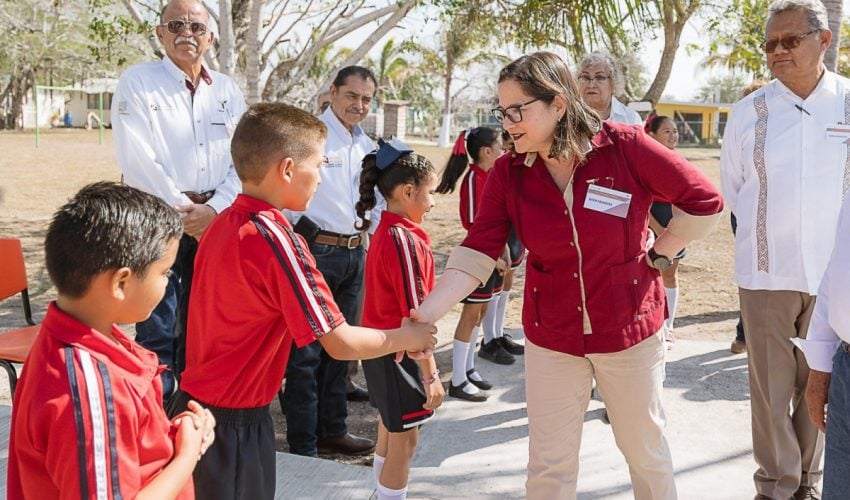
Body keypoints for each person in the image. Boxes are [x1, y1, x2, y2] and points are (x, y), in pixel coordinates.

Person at [411, 51, 723, 499]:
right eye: (503, 110)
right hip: (552, 335)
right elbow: (478, 250)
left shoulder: (625, 146)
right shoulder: (508, 172)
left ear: (558, 104)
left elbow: (704, 199)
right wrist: (428, 314)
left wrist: (664, 250)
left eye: (518, 109)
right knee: (548, 467)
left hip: (629, 330)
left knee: (644, 452)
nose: (508, 121)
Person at [170, 103, 436, 500]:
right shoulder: (278, 240)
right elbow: (339, 342)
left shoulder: (223, 222)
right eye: (320, 164)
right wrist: (409, 336)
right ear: (289, 169)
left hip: (194, 408)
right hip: (234, 427)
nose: (323, 176)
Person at [8, 182, 215, 499]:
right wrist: (187, 457)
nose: (166, 284)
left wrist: (174, 435)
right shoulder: (90, 388)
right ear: (121, 282)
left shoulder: (88, 342)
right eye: (164, 273)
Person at [720, 1, 850, 497]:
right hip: (765, 276)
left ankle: (808, 483)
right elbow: (734, 190)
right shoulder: (747, 111)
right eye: (770, 44)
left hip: (834, 280)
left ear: (824, 41)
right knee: (771, 393)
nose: (777, 52)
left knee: (820, 385)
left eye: (789, 40)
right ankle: (776, 485)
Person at [111, 0, 246, 400]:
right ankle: (154, 425)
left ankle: (191, 420)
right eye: (176, 25)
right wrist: (184, 213)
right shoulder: (138, 82)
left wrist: (215, 209)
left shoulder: (226, 90)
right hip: (157, 223)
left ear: (210, 36)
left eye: (196, 26)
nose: (186, 33)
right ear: (160, 33)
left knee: (203, 325)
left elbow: (244, 157)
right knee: (158, 326)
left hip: (214, 222)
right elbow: (138, 160)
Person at [284, 65, 381, 457]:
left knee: (339, 353)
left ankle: (333, 430)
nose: (358, 105)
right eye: (352, 96)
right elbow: (288, 194)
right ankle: (303, 445)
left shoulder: (367, 145)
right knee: (305, 356)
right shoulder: (310, 137)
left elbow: (374, 199)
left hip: (355, 253)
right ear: (333, 92)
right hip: (315, 253)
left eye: (366, 99)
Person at [355, 137, 445, 500]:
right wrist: (432, 375)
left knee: (391, 430)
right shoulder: (402, 240)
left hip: (384, 351)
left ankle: (381, 493)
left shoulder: (390, 231)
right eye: (431, 192)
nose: (435, 201)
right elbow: (416, 319)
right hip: (399, 356)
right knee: (405, 442)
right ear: (409, 191)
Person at [435, 127, 511, 402]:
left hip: (491, 256)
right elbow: (473, 220)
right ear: (486, 152)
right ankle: (457, 380)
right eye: (500, 147)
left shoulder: (490, 176)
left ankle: (468, 369)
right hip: (477, 257)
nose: (504, 151)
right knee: (469, 315)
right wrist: (494, 254)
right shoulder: (473, 179)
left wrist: (501, 252)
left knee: (479, 314)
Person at [730, 78, 769, 355]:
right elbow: (732, 180)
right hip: (745, 214)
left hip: (776, 217)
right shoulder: (740, 126)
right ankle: (744, 334)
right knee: (752, 272)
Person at [646, 115, 684, 347]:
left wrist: (677, 228)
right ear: (653, 135)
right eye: (667, 131)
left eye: (675, 131)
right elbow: (642, 200)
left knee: (670, 274)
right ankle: (650, 325)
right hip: (651, 220)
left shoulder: (680, 160)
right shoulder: (646, 161)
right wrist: (658, 228)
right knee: (650, 275)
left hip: (675, 222)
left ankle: (667, 326)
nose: (673, 135)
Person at [576, 51, 642, 126]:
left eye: (599, 77)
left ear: (614, 83)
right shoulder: (569, 116)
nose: (591, 85)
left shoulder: (630, 119)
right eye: (585, 77)